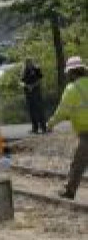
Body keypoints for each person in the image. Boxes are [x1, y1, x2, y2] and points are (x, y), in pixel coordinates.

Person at [46, 56, 88, 200]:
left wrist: (50, 124)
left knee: (78, 164)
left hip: (85, 133)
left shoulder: (72, 89)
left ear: (72, 72)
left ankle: (69, 191)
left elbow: (62, 112)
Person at [20, 58, 48, 133]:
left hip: (36, 92)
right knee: (31, 111)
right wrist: (26, 86)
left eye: (30, 62)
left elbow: (40, 79)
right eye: (27, 62)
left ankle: (43, 127)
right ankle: (35, 128)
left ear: (32, 62)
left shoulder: (36, 69)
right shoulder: (24, 71)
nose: (29, 63)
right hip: (28, 93)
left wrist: (33, 86)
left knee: (39, 110)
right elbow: (21, 82)